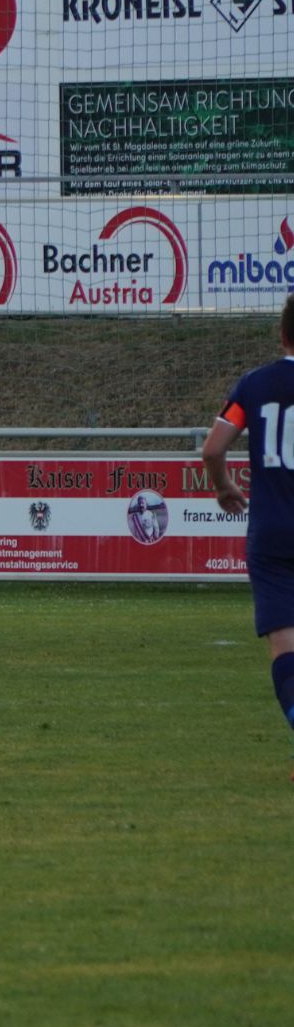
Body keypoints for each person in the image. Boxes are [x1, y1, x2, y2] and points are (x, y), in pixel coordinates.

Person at [201, 293, 294, 780]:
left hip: (273, 532)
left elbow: (213, 449)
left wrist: (223, 487)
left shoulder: (255, 385)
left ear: (282, 335)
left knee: (285, 645)